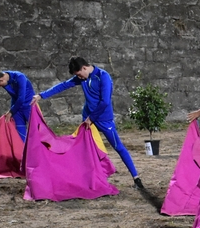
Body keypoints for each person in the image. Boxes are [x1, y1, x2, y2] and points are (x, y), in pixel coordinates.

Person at [32, 56, 145, 191]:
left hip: (103, 119)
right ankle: (89, 179)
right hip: (87, 120)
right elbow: (63, 86)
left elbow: (105, 102)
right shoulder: (82, 78)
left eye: (79, 74)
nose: (79, 77)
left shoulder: (103, 77)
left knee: (118, 146)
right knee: (85, 149)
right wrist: (41, 95)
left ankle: (136, 178)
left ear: (84, 68)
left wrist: (92, 117)